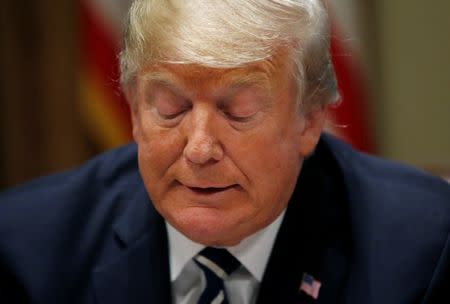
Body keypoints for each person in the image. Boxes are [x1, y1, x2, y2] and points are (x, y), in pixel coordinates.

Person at [1, 0, 449, 303]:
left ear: (309, 119)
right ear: (136, 112)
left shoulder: (424, 251)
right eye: (170, 107)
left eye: (238, 110)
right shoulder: (25, 248)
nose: (199, 149)